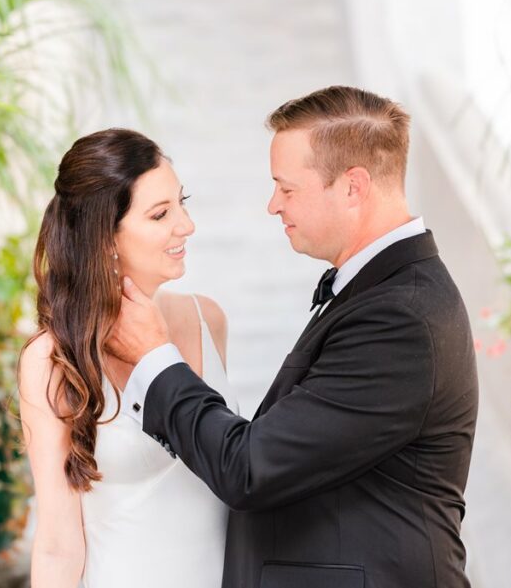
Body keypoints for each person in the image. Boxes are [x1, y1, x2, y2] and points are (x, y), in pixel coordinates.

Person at [107, 86, 479, 588]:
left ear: (353, 187)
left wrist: (154, 359)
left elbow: (251, 467)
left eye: (286, 188)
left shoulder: (400, 316)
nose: (272, 205)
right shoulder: (386, 293)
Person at [18, 128, 238, 588]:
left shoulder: (207, 319)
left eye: (182, 201)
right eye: (160, 214)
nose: (186, 224)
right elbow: (59, 544)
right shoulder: (54, 359)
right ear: (106, 239)